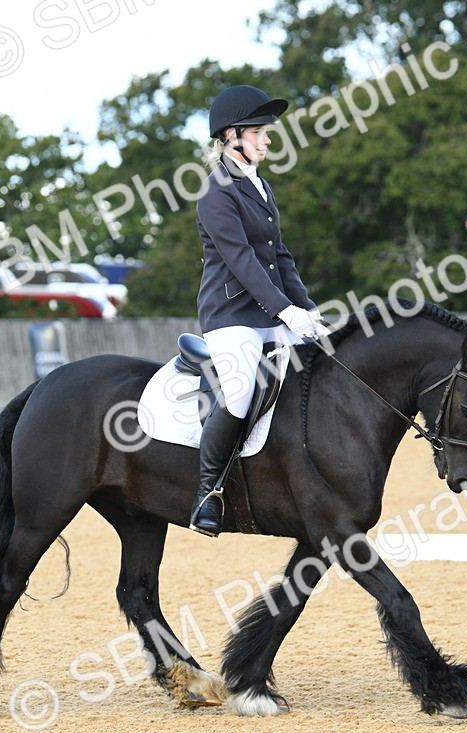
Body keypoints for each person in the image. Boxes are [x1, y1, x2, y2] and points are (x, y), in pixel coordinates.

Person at [190, 84, 319, 535]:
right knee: (242, 389)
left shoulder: (261, 187)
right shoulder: (215, 192)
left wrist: (307, 310)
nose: (267, 139)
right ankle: (207, 493)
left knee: (320, 365)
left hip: (271, 314)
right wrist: (285, 310)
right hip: (231, 317)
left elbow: (280, 256)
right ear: (232, 136)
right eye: (260, 132)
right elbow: (242, 259)